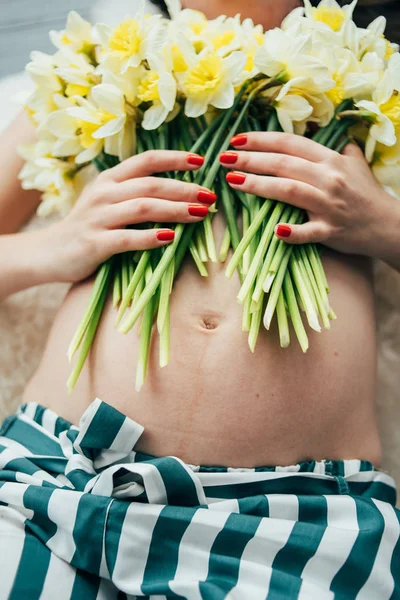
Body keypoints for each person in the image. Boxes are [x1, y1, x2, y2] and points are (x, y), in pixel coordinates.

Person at [0, 0, 399, 598]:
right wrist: (57, 246)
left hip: (300, 525)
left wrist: (385, 225)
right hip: (55, 479)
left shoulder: (382, 83)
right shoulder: (85, 72)